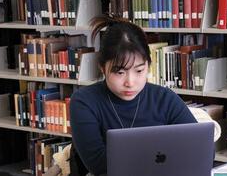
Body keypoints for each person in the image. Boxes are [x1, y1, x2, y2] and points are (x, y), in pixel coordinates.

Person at [70, 15, 197, 176]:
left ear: (148, 67)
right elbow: (100, 166)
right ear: (102, 68)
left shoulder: (164, 98)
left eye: (139, 71)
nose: (130, 82)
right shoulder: (84, 102)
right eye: (119, 72)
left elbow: (200, 149)